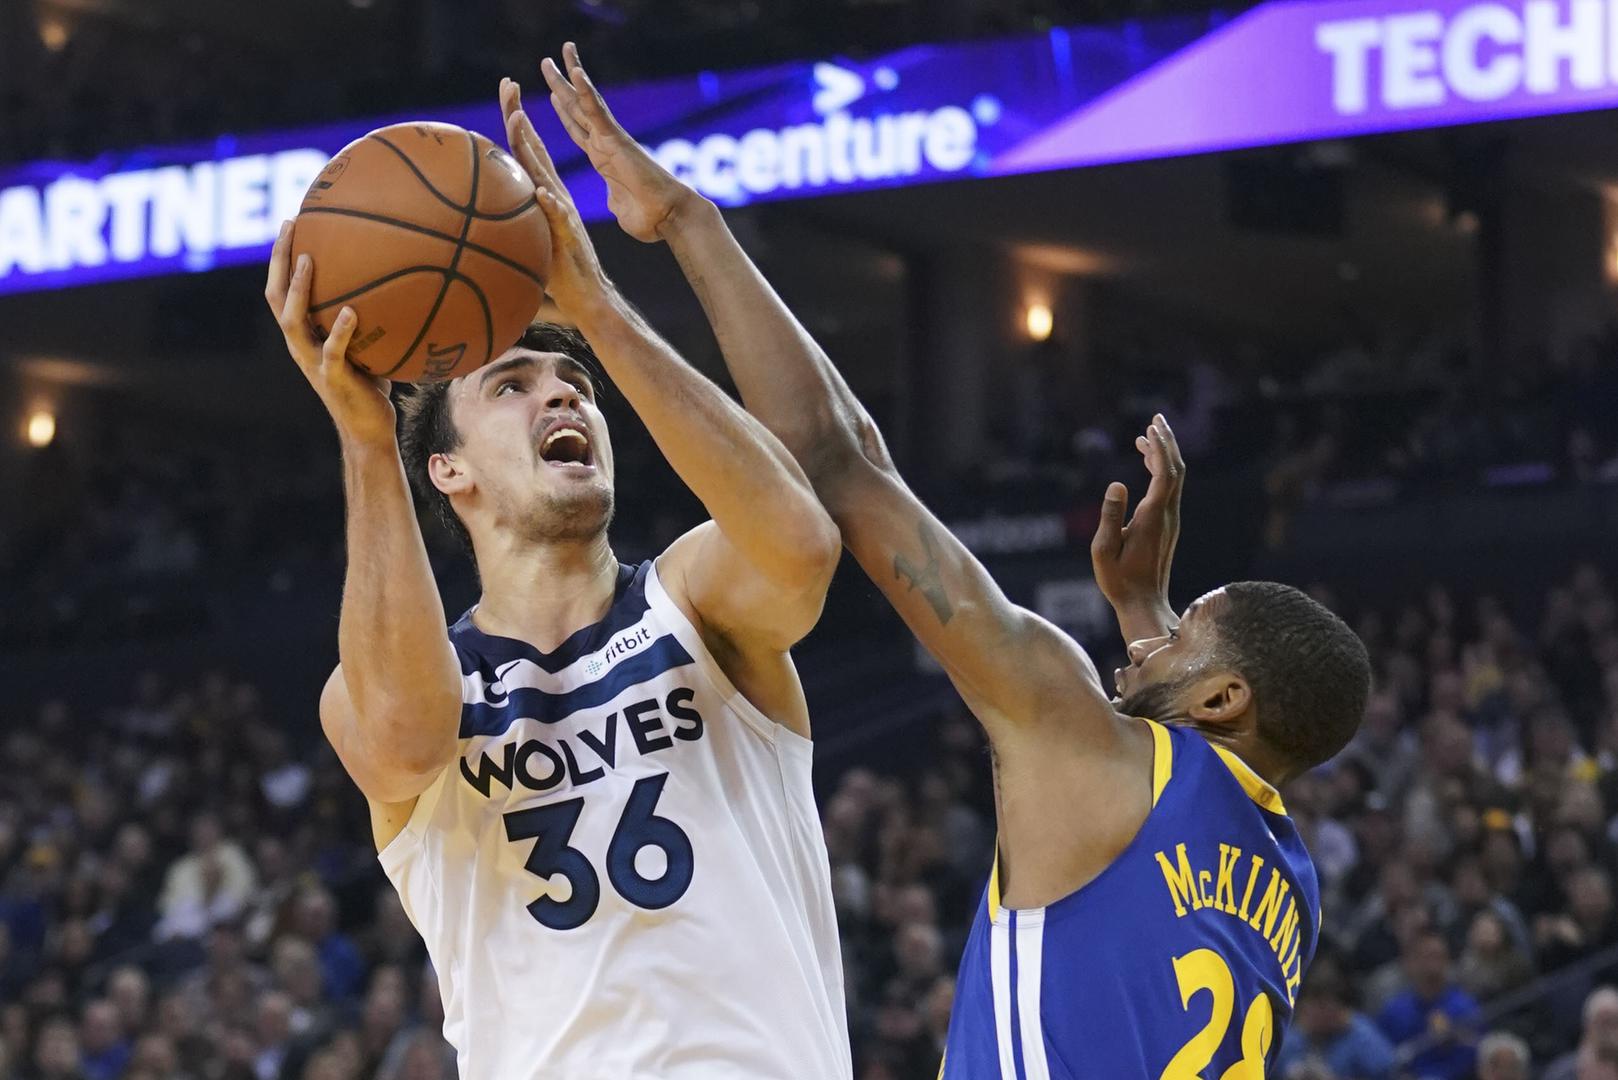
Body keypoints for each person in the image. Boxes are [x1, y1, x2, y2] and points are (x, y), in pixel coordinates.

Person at [530, 42, 1372, 1075]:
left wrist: (685, 222)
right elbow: (1172, 826)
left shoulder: (1082, 740)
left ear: (1223, 698)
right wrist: (1148, 615)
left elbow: (835, 457)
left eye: (1185, 632)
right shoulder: (1289, 888)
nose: (1152, 643)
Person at [263, 68, 852, 1077]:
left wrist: (598, 310)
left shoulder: (692, 601)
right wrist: (365, 439)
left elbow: (799, 545)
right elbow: (404, 740)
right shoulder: (405, 678)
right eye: (512, 385)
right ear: (448, 470)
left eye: (574, 381)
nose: (563, 396)